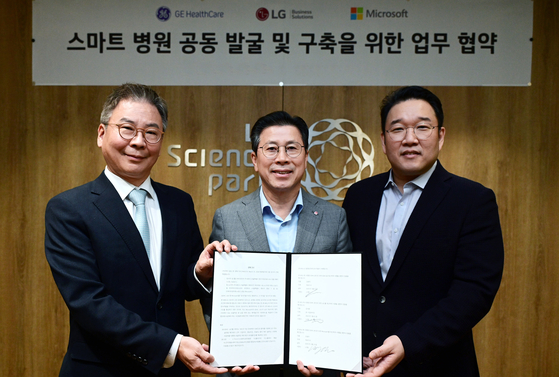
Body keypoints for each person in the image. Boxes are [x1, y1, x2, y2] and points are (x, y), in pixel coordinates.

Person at [44, 83, 230, 377]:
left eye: (151, 132)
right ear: (101, 134)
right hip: (101, 369)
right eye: (127, 129)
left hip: (170, 372)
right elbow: (88, 302)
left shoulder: (178, 203)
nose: (139, 142)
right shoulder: (69, 208)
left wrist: (201, 272)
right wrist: (172, 345)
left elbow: (182, 287)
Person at [343, 86, 504, 377]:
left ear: (440, 136)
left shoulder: (472, 200)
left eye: (422, 127)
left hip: (437, 364)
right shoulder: (359, 196)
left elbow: (474, 292)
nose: (410, 139)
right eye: (397, 129)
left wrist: (408, 342)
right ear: (383, 140)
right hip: (364, 366)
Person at [202, 110, 352, 377]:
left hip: (314, 368)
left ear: (306, 158)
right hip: (247, 369)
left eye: (292, 148)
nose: (282, 158)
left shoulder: (334, 217)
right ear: (255, 159)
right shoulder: (228, 216)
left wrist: (333, 358)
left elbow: (344, 299)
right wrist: (228, 351)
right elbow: (217, 297)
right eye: (271, 149)